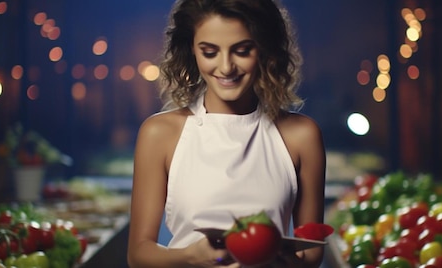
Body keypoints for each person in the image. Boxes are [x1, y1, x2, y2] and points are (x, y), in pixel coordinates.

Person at [127, 0, 326, 267]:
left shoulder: (302, 136)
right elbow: (138, 255)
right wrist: (191, 255)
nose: (226, 67)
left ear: (266, 50)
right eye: (209, 52)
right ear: (192, 52)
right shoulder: (159, 134)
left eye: (242, 51)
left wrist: (279, 258)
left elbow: (312, 254)